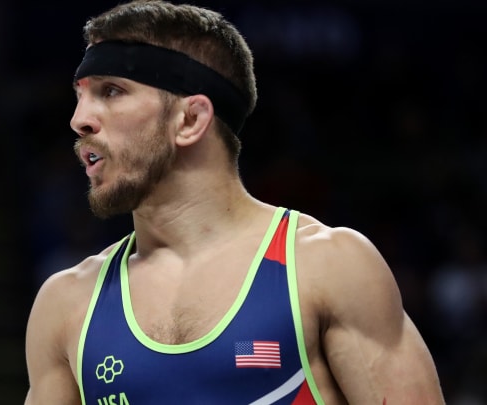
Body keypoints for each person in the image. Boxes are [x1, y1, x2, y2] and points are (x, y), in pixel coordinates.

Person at [24, 1, 445, 404]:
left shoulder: (326, 268)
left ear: (190, 120)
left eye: (112, 91)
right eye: (81, 94)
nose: (79, 119)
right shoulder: (68, 304)